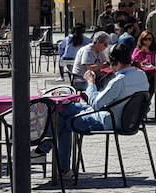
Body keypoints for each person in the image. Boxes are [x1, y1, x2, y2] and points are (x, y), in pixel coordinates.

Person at [47, 42, 150, 183]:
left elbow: (95, 103)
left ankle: (47, 151)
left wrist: (91, 83)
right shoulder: (141, 75)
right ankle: (54, 160)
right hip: (130, 121)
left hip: (110, 120)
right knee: (68, 109)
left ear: (114, 61)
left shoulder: (119, 80)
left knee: (63, 116)